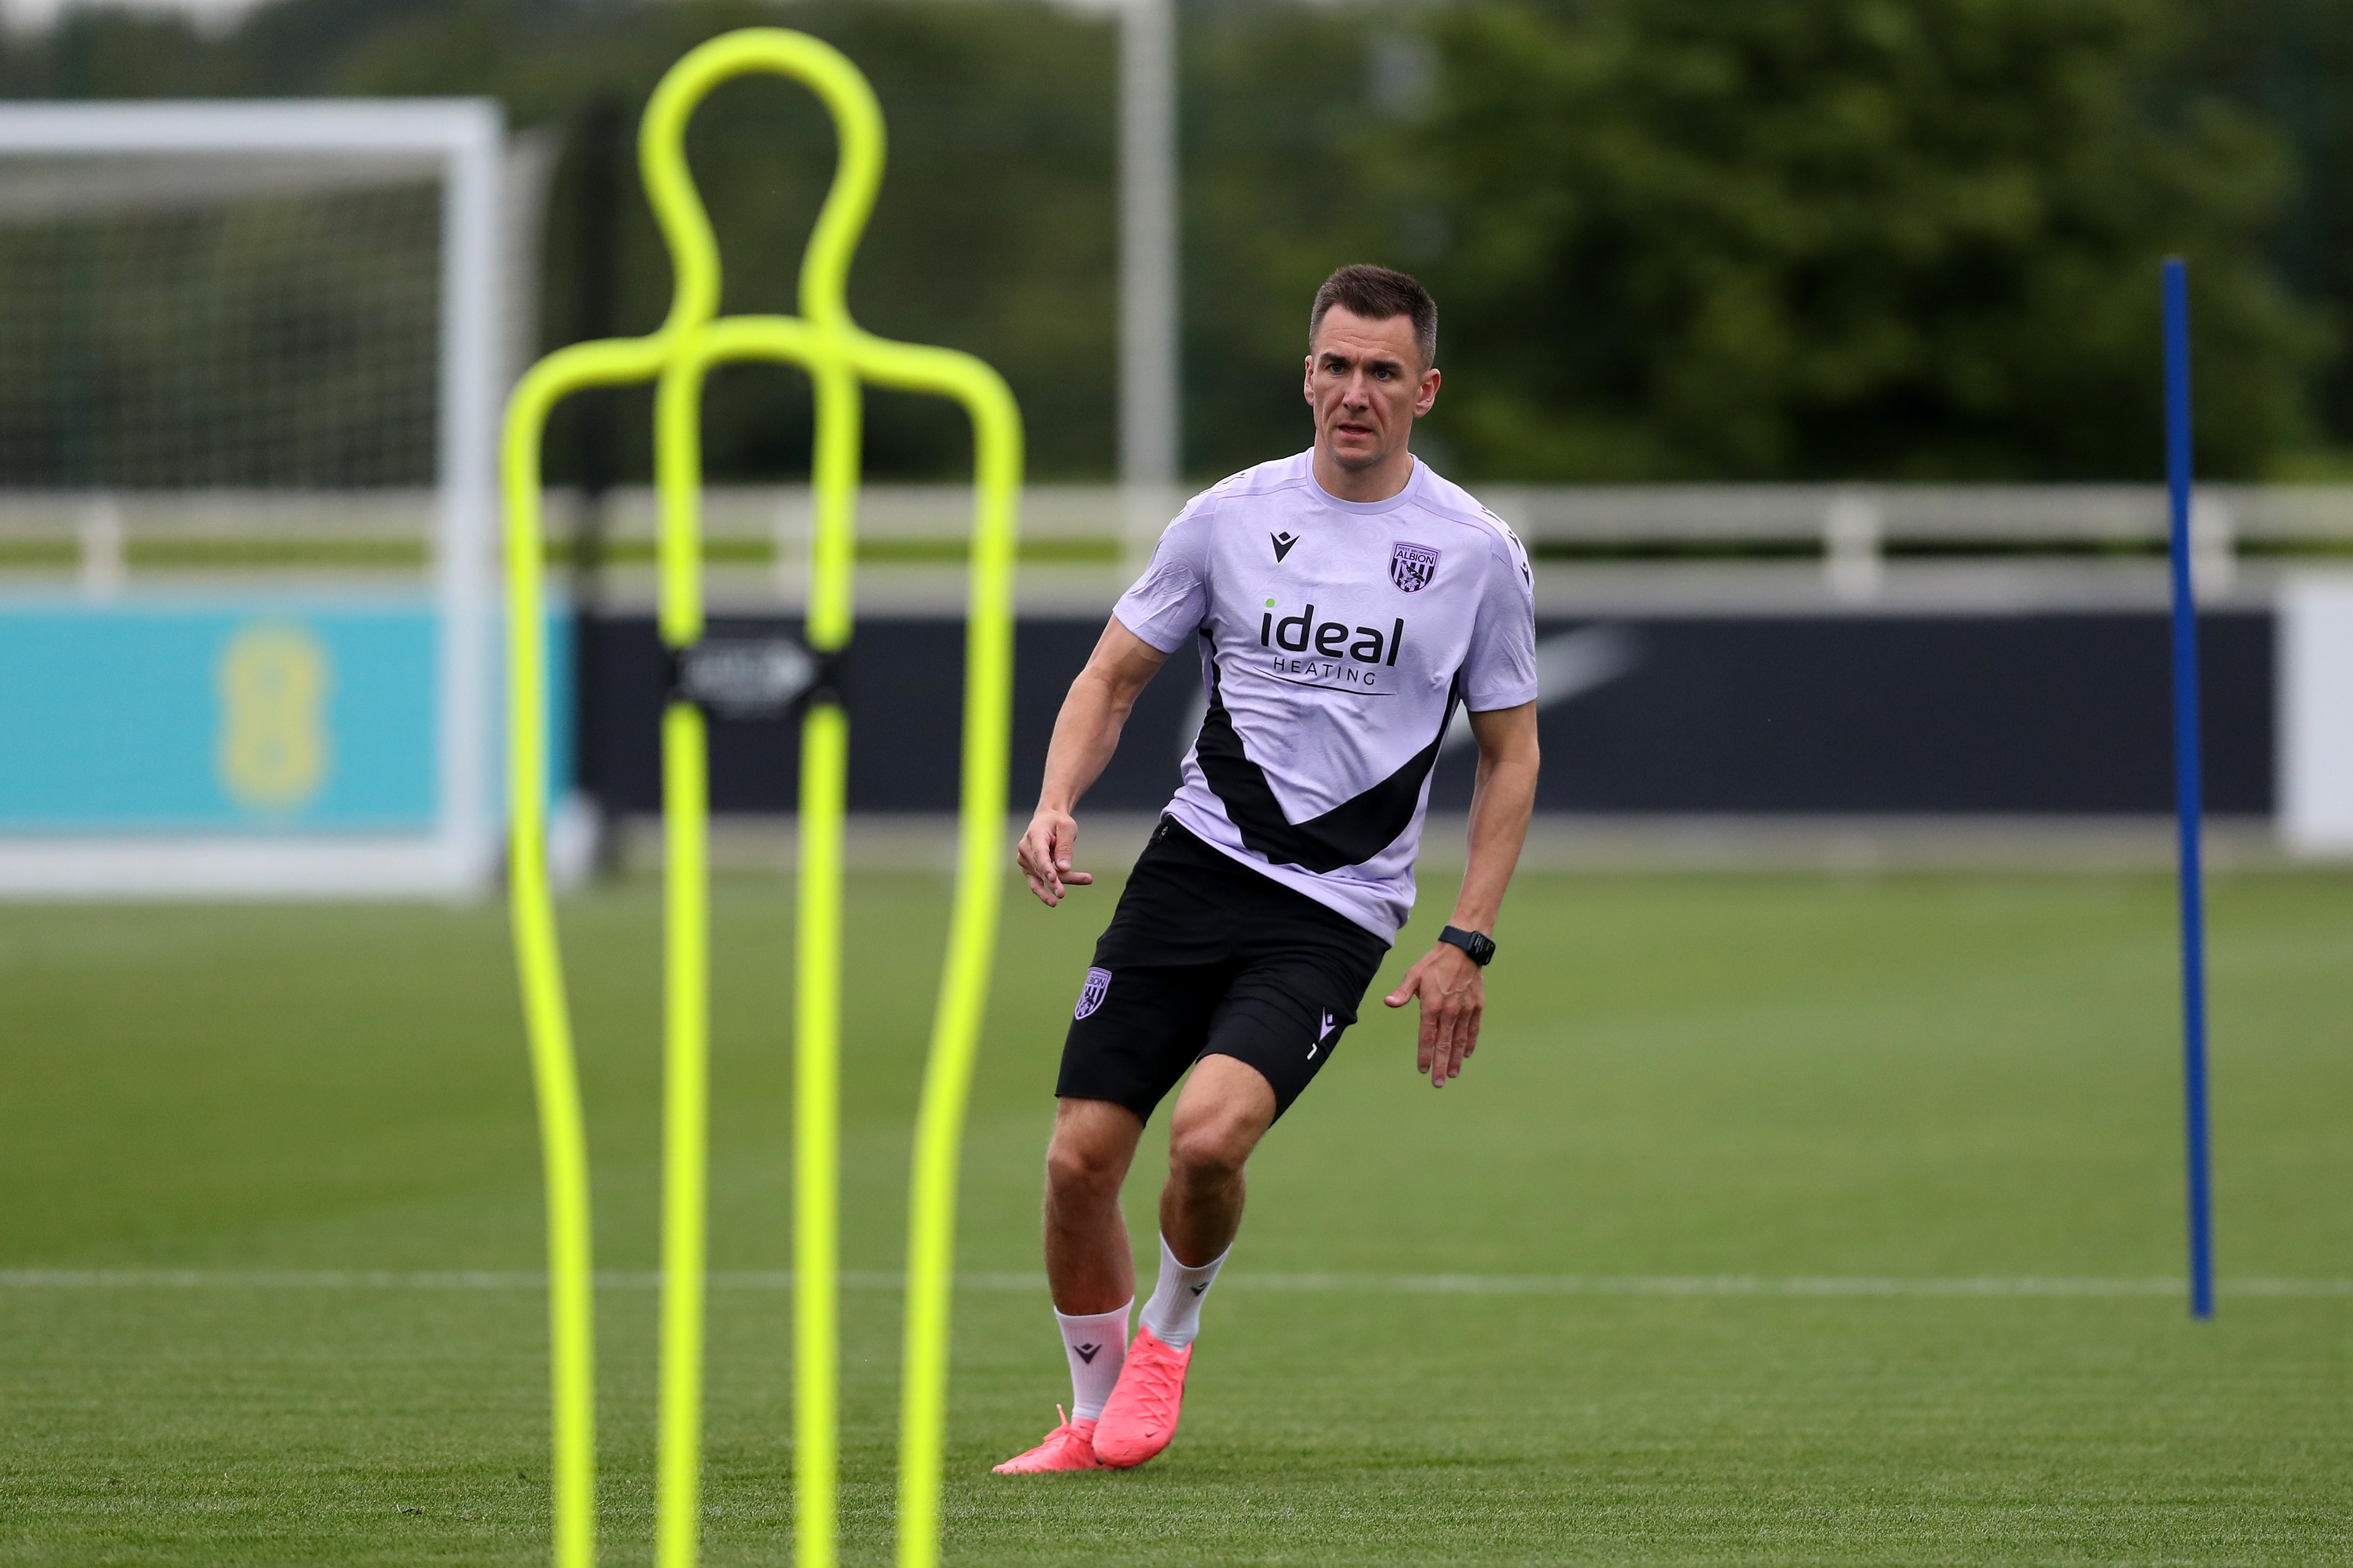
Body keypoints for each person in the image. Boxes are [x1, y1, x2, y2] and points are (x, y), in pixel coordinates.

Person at [992, 264, 1541, 1474]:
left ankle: (1170, 1335)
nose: (1356, 392)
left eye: (1383, 372)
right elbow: (1111, 678)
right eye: (1336, 366)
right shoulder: (1227, 517)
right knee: (1080, 1159)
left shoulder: (1475, 553)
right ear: (1307, 375)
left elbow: (1511, 753)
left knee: (1207, 1139)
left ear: (1426, 390)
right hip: (1194, 869)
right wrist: (1054, 802)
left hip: (1336, 907)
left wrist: (1468, 937)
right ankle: (1085, 1421)